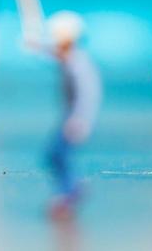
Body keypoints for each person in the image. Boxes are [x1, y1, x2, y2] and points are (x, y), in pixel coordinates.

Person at [31, 12, 100, 210]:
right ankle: (71, 187)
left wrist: (79, 119)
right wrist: (37, 46)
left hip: (75, 119)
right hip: (71, 117)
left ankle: (69, 190)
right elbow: (56, 56)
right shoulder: (71, 58)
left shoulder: (78, 63)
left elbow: (88, 94)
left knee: (57, 154)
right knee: (56, 155)